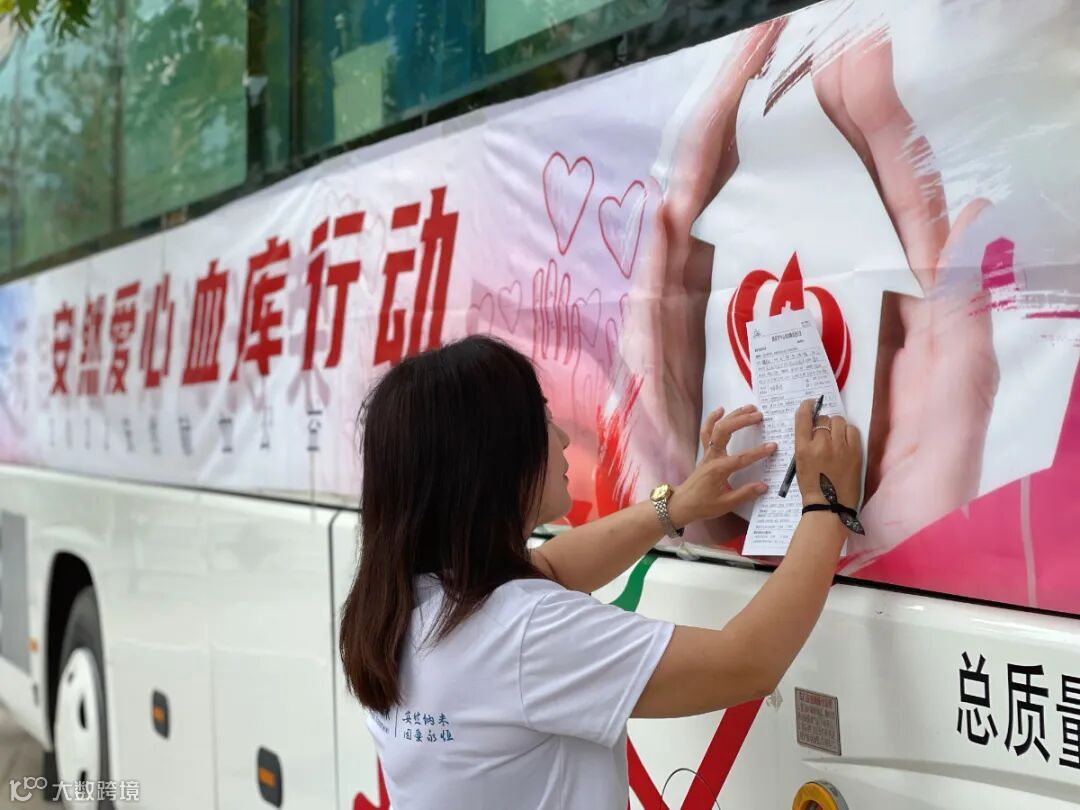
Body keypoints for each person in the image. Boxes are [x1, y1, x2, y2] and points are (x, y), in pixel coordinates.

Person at [339, 335, 862, 809]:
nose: (563, 438)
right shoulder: (524, 633)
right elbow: (745, 663)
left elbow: (549, 568)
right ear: (495, 461)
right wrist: (826, 506)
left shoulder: (403, 606)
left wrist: (674, 507)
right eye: (543, 419)